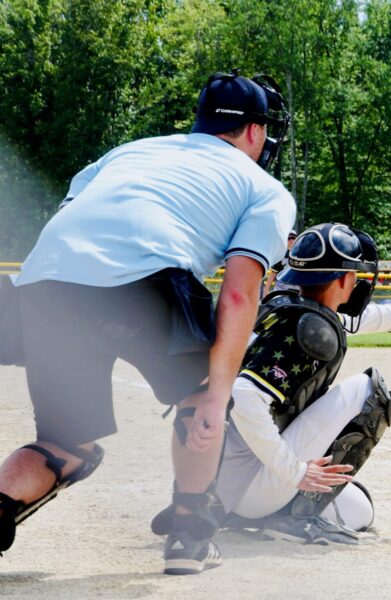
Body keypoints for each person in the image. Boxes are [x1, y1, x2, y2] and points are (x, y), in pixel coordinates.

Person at [0, 70, 296, 575]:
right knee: (201, 398)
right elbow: (241, 293)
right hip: (144, 280)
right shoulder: (264, 188)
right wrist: (217, 391)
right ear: (254, 131)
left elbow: (80, 221)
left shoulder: (130, 151)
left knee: (65, 446)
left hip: (45, 281)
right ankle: (188, 535)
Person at [152, 222, 391, 545]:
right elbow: (244, 396)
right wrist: (296, 471)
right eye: (354, 273)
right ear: (344, 280)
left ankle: (250, 514)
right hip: (250, 484)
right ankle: (294, 518)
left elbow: (370, 318)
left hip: (222, 484)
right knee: (370, 391)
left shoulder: (289, 309)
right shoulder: (308, 328)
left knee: (359, 508)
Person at [261, 229, 299, 298]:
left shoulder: (301, 254)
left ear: (297, 239)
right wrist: (266, 290)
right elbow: (273, 273)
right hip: (281, 290)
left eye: (293, 238)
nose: (290, 240)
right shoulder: (280, 255)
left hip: (297, 291)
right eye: (288, 238)